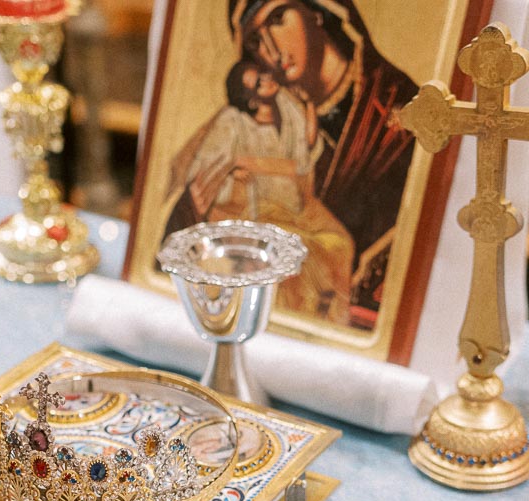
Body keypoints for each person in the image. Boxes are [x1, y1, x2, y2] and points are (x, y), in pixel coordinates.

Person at [232, 0, 420, 325]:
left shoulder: (399, 114)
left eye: (278, 18)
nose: (271, 48)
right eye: (254, 40)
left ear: (316, 12)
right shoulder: (280, 124)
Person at [164, 59, 354, 324]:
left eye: (264, 75)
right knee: (299, 255)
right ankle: (287, 320)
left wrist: (309, 106)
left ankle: (330, 322)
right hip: (255, 211)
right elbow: (209, 165)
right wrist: (232, 171)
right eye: (258, 82)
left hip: (294, 204)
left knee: (340, 243)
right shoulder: (232, 121)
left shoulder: (288, 111)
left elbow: (302, 158)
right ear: (250, 98)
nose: (268, 80)